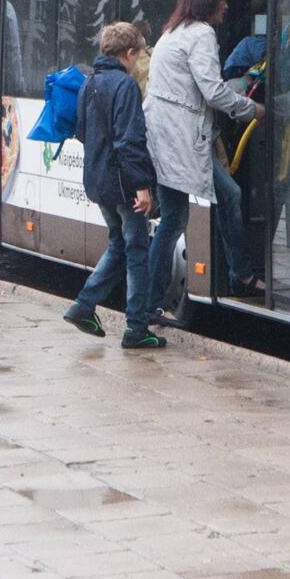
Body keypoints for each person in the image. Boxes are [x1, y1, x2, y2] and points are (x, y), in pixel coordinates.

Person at [145, 0, 265, 314]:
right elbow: (212, 92)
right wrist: (252, 109)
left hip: (167, 136)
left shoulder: (173, 31)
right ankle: (147, 305)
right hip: (181, 140)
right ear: (207, 2)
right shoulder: (201, 34)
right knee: (185, 215)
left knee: (184, 214)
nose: (226, 6)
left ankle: (146, 305)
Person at [61, 23, 165, 348]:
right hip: (124, 184)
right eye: (138, 55)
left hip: (98, 182)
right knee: (136, 250)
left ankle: (84, 306)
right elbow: (130, 141)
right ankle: (136, 328)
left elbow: (82, 131)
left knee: (119, 243)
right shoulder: (125, 86)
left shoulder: (89, 82)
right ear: (130, 53)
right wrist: (142, 187)